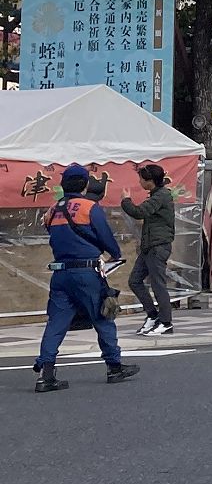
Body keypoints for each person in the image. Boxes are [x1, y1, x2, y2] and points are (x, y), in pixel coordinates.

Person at [33, 163, 138, 392]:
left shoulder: (52, 210)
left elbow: (54, 234)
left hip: (60, 274)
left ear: (63, 184)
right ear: (84, 185)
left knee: (56, 323)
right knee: (103, 316)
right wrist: (115, 254)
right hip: (87, 273)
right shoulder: (89, 207)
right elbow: (105, 236)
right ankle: (114, 367)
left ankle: (46, 374)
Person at [119, 162, 178, 336]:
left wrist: (126, 200)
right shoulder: (156, 195)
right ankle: (153, 315)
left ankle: (166, 322)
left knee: (158, 285)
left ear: (149, 180)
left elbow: (139, 212)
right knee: (134, 281)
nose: (139, 182)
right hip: (149, 246)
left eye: (141, 179)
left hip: (158, 246)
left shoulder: (161, 196)